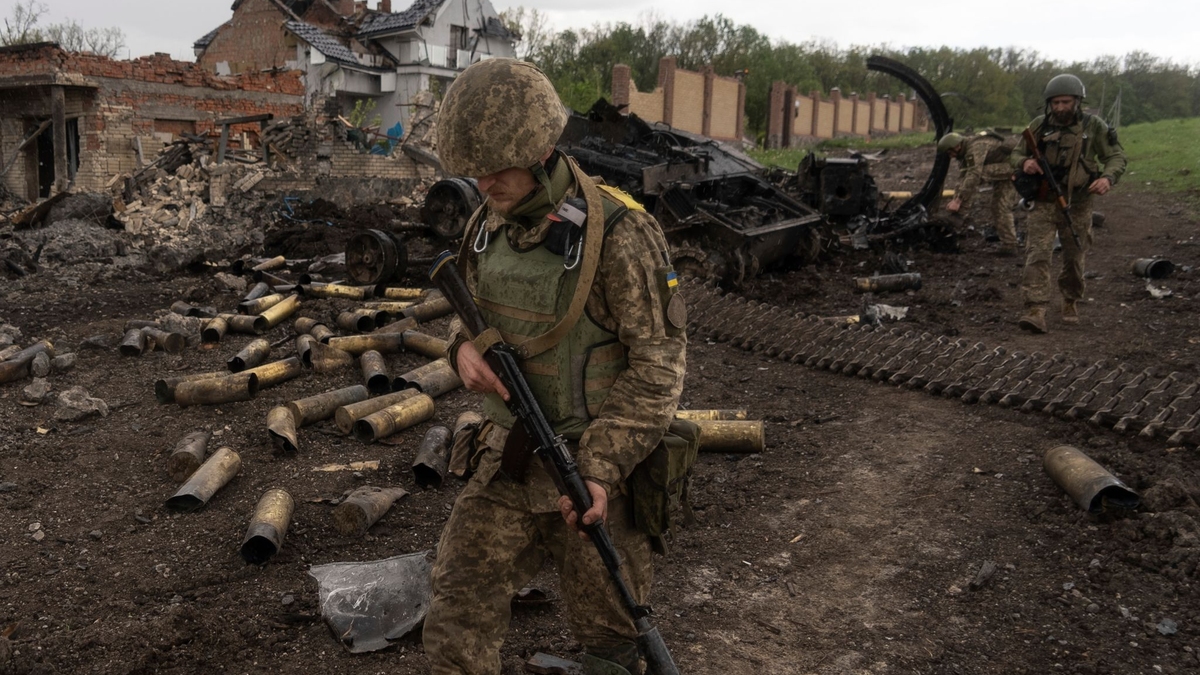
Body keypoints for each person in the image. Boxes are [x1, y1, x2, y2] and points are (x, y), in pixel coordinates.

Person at [422, 58, 688, 675]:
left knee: (612, 646)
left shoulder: (621, 232)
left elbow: (659, 366)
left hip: (594, 479)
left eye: (495, 168)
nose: (483, 185)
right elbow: (469, 316)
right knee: (455, 623)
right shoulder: (488, 224)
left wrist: (599, 468)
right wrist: (458, 347)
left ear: (540, 148)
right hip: (506, 461)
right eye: (473, 172)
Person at [1010, 74, 1126, 333]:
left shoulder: (1093, 126)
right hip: (1043, 202)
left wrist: (1107, 178)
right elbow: (1017, 152)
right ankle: (1035, 309)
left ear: (1077, 101)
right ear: (1048, 103)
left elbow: (1116, 156)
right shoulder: (1039, 125)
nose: (1060, 107)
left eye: (1066, 102)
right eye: (1056, 103)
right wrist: (1023, 162)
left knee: (1074, 256)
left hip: (1078, 202)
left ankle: (1070, 299)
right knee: (1037, 254)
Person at [937, 130, 1020, 255]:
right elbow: (962, 179)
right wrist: (955, 202)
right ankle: (1009, 245)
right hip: (1001, 169)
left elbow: (974, 175)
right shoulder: (964, 151)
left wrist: (958, 201)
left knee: (978, 175)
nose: (950, 156)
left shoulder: (975, 147)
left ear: (956, 146)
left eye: (950, 152)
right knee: (998, 207)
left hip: (1012, 167)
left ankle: (1010, 245)